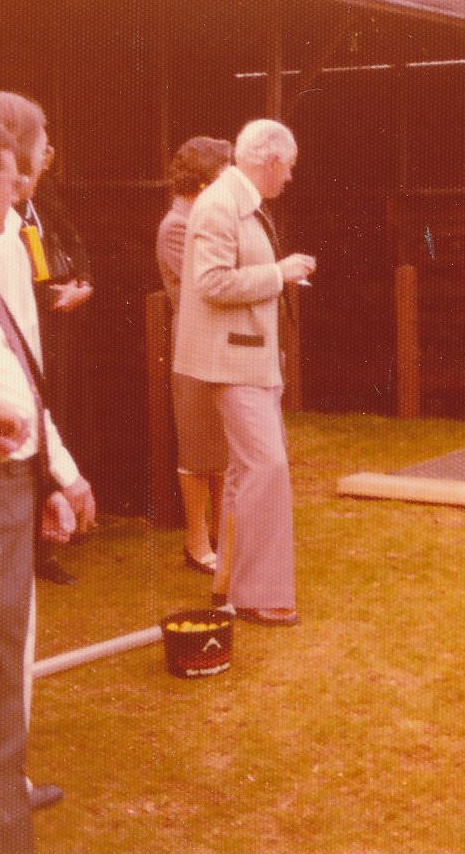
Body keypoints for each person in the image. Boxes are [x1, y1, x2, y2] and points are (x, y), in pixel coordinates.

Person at [0, 121, 90, 853]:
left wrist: (54, 471)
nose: (19, 187)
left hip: (16, 471)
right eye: (5, 175)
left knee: (5, 670)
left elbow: (19, 372)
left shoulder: (17, 232)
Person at [174, 119, 315, 627]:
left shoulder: (241, 202)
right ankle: (258, 595)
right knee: (266, 468)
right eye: (290, 167)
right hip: (229, 361)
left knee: (241, 473)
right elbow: (210, 282)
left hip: (250, 358)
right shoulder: (219, 205)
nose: (290, 178)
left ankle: (230, 583)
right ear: (270, 161)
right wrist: (279, 273)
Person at [156, 137, 233, 575]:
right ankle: (195, 541)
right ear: (203, 177)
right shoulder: (177, 224)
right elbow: (201, 288)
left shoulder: (203, 218)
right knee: (198, 447)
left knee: (219, 447)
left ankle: (224, 534)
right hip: (194, 344)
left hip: (218, 343)